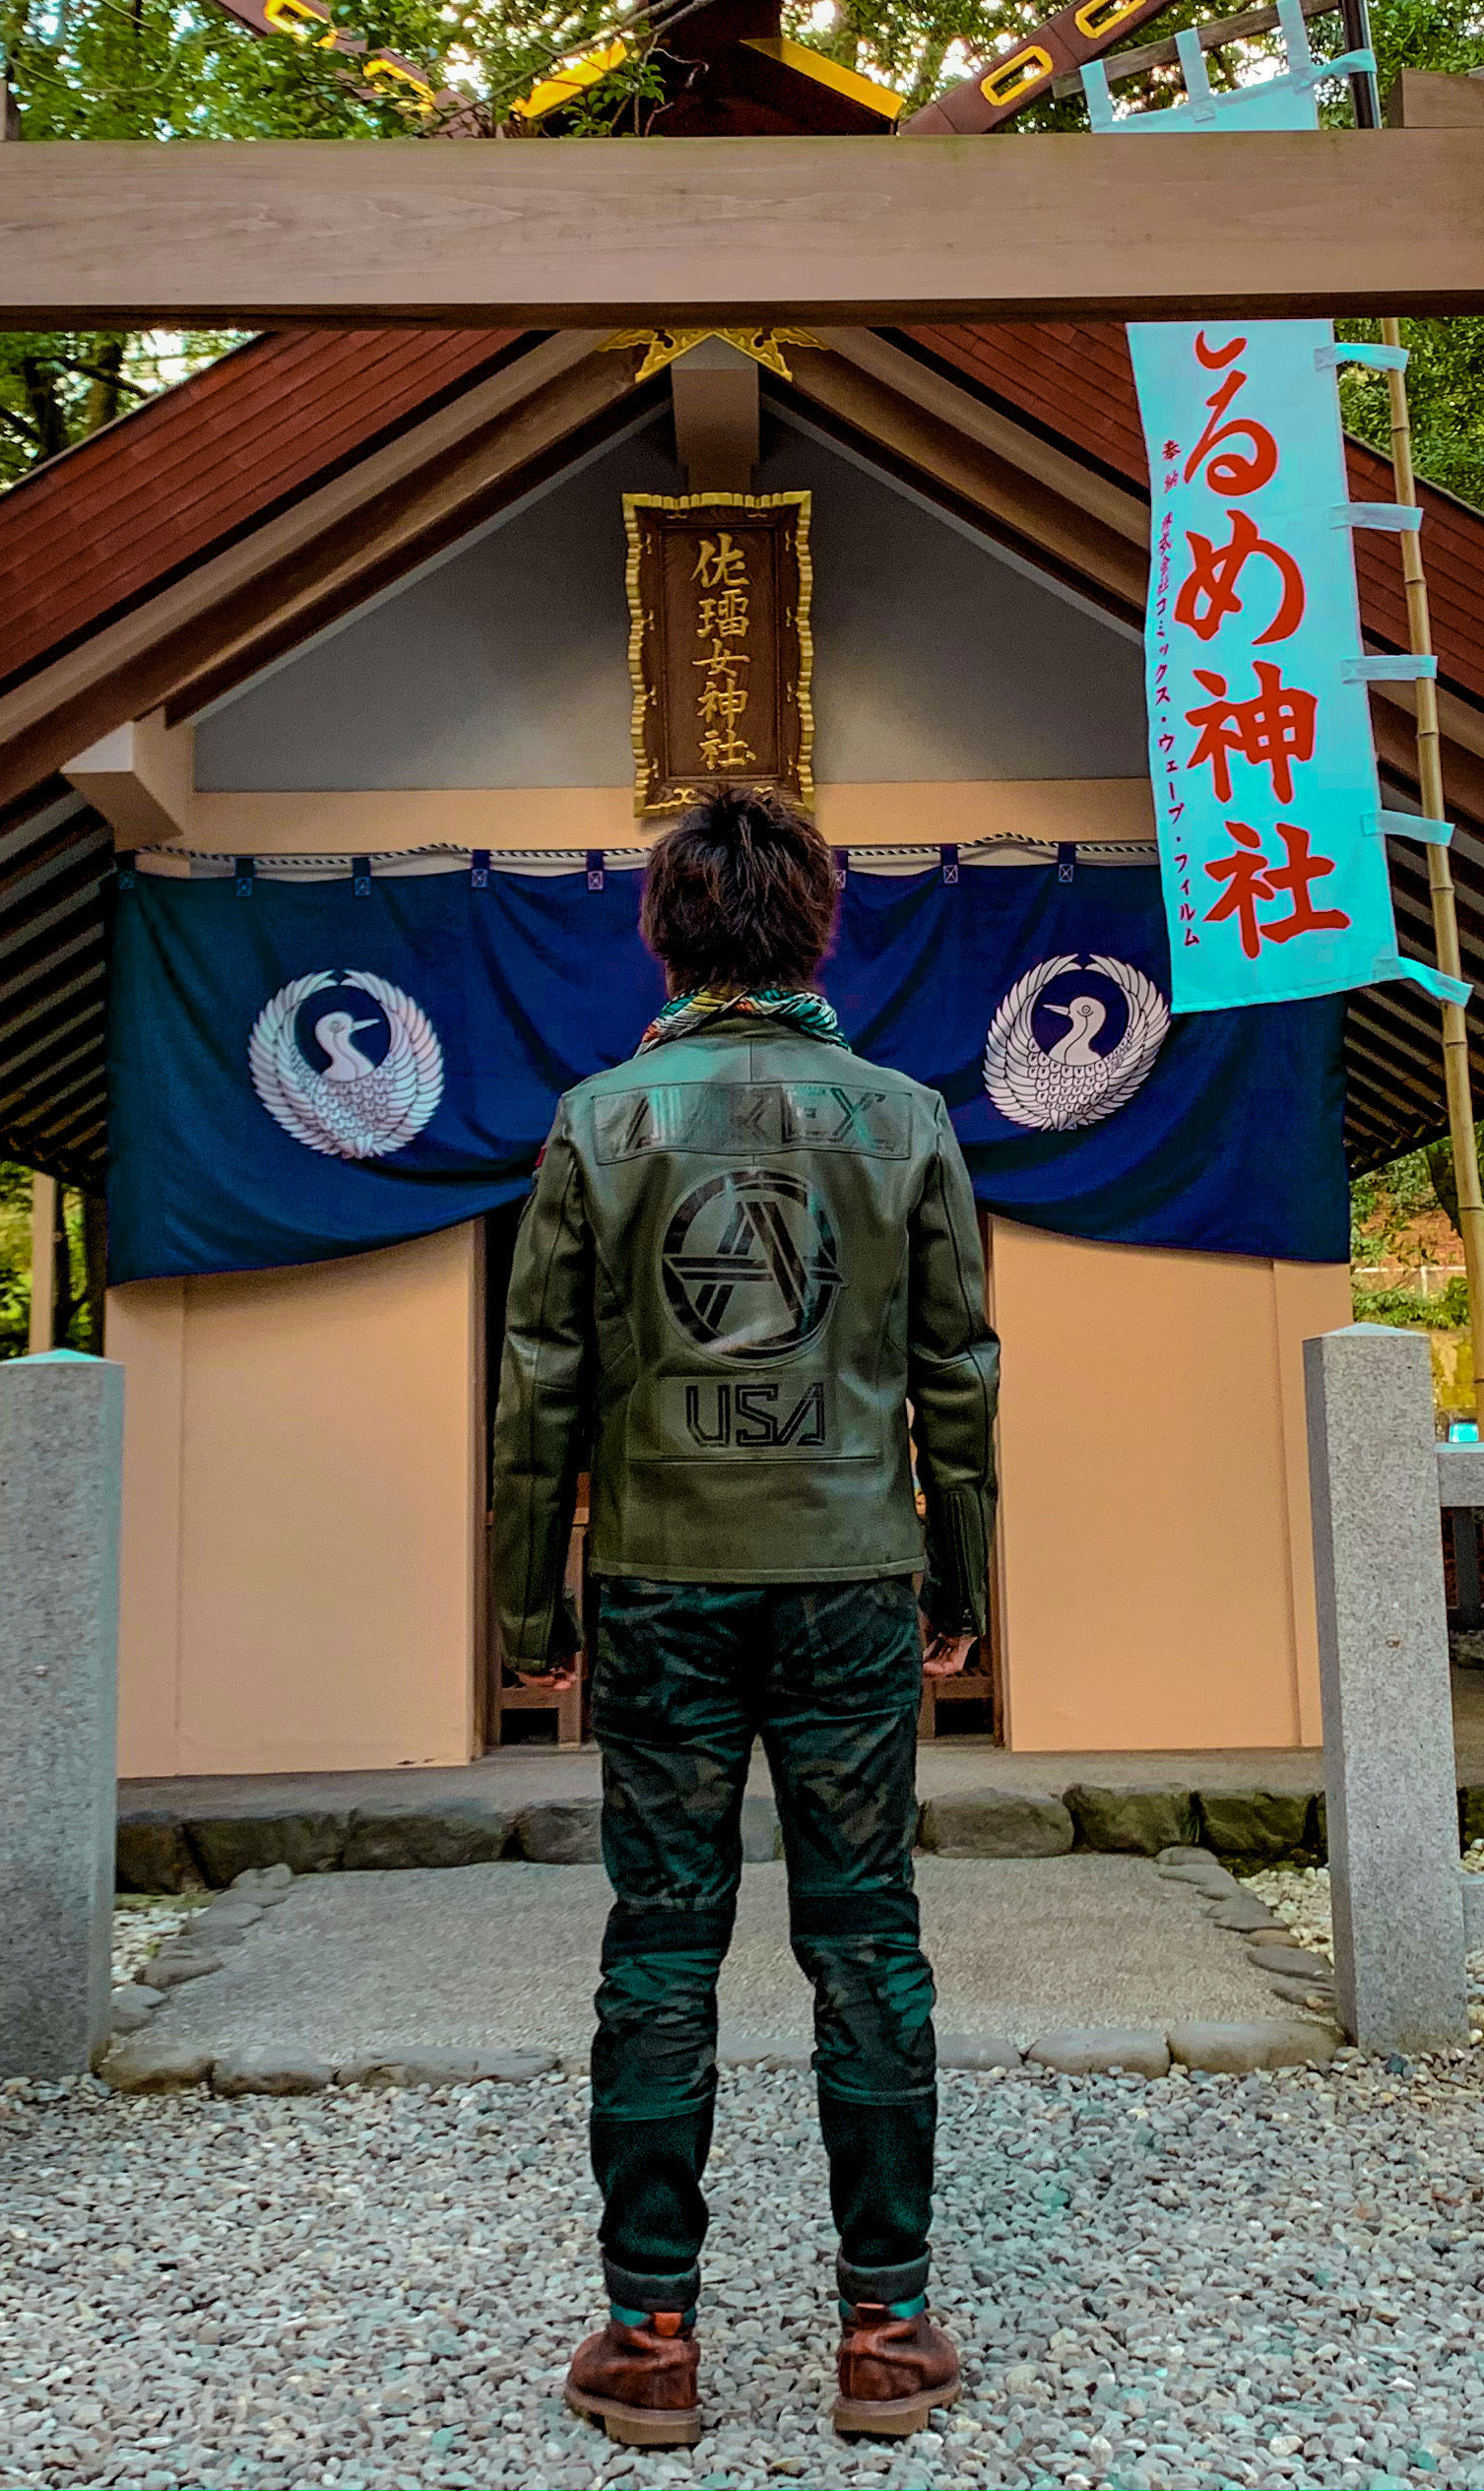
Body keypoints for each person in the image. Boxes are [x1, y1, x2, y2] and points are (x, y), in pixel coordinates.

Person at [491, 783, 1000, 2450]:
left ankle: (648, 2337)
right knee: (865, 1938)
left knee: (658, 1944)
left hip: (662, 1577)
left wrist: (527, 1609)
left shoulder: (597, 1121)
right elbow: (956, 1380)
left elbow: (542, 1388)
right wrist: (964, 1583)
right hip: (852, 1572)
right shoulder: (907, 1120)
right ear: (818, 925)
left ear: (666, 931)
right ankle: (889, 2329)